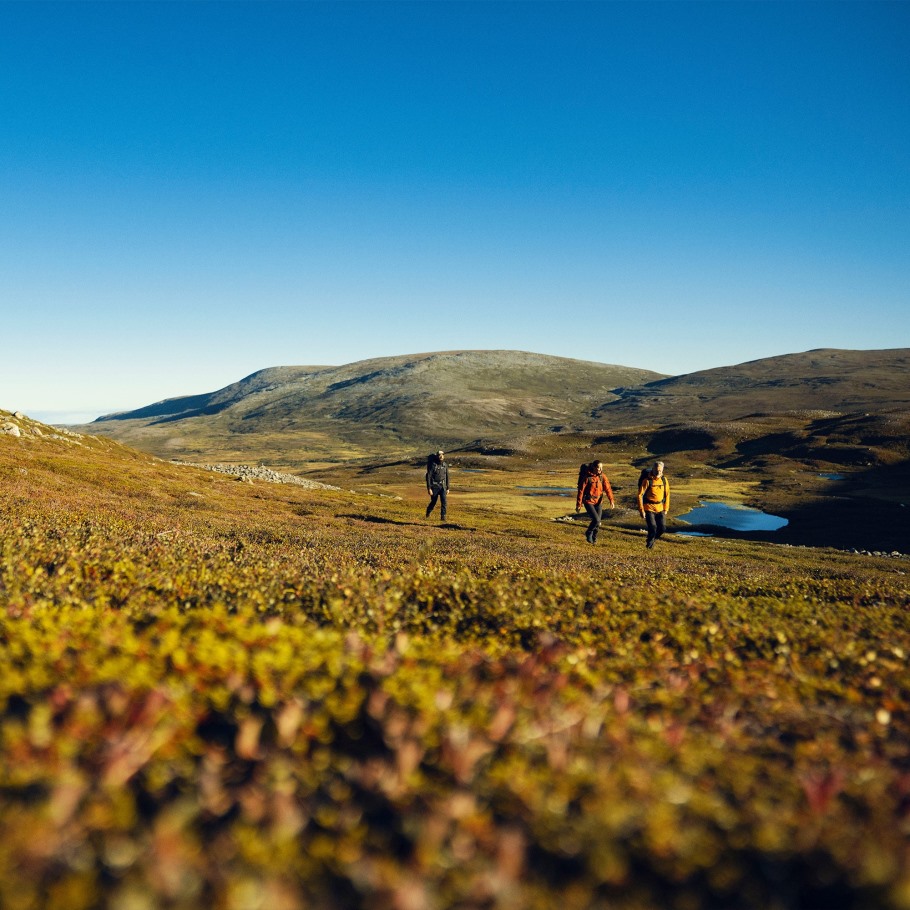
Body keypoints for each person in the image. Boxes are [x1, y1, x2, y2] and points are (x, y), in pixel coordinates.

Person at [576, 460, 615, 544]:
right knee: (596, 520)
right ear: (593, 467)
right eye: (598, 467)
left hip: (598, 502)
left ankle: (594, 539)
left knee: (598, 523)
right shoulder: (587, 477)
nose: (600, 469)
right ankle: (589, 532)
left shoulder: (602, 477)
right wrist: (579, 504)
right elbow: (581, 491)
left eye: (601, 467)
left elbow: (608, 489)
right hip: (588, 501)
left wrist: (611, 500)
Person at [638, 461, 670, 549]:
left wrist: (666, 508)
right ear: (653, 469)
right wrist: (641, 510)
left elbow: (667, 494)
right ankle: (649, 546)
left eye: (660, 470)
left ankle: (651, 539)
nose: (658, 472)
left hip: (660, 508)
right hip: (648, 507)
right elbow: (640, 495)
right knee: (653, 526)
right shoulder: (647, 480)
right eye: (656, 470)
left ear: (662, 470)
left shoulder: (664, 480)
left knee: (662, 528)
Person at [425, 449, 449, 522]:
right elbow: (428, 476)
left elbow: (447, 476)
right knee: (433, 502)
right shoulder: (433, 465)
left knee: (444, 502)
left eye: (442, 455)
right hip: (434, 486)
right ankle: (428, 512)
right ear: (437, 456)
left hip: (443, 486)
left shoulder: (445, 465)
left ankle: (443, 517)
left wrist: (448, 488)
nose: (441, 456)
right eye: (439, 455)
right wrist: (429, 488)